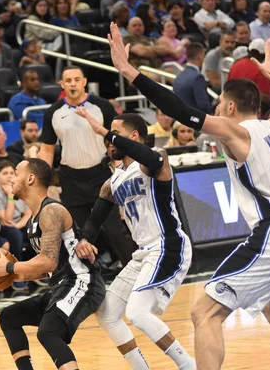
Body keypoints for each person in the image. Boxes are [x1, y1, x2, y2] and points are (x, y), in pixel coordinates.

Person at [108, 22, 270, 370]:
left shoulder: (234, 131)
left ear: (228, 108)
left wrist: (128, 70)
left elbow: (179, 110)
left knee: (205, 312)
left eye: (219, 104)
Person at [74, 110, 195, 369]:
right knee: (107, 314)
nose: (109, 141)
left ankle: (189, 366)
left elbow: (152, 158)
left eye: (115, 135)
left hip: (167, 244)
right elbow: (96, 218)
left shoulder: (154, 160)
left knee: (137, 313)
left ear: (134, 136)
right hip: (143, 252)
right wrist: (84, 239)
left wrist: (104, 131)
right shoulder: (113, 182)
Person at [0, 158, 105, 370]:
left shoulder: (51, 210)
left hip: (82, 282)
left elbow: (47, 261)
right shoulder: (33, 220)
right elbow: (44, 269)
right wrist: (9, 275)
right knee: (9, 316)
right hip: (61, 285)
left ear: (30, 178)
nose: (11, 179)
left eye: (16, 173)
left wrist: (10, 267)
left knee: (49, 331)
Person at [39, 66, 137, 265]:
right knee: (78, 237)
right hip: (70, 178)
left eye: (77, 79)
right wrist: (43, 183)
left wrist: (119, 171)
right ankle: (86, 280)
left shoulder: (102, 106)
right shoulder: (53, 112)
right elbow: (47, 150)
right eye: (68, 80)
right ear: (62, 84)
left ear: (84, 82)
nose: (73, 83)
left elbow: (115, 141)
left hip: (101, 175)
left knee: (114, 231)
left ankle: (135, 269)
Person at [0, 160, 32, 289]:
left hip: (17, 225)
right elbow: (6, 219)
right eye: (5, 173)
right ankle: (17, 273)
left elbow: (28, 213)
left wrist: (19, 225)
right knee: (14, 233)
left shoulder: (18, 186)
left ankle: (38, 271)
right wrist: (11, 196)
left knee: (37, 228)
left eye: (12, 172)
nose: (10, 176)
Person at [173, 43, 212, 114]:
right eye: (203, 55)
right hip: (196, 120)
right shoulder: (197, 77)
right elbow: (203, 105)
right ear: (200, 56)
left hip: (181, 119)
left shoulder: (178, 77)